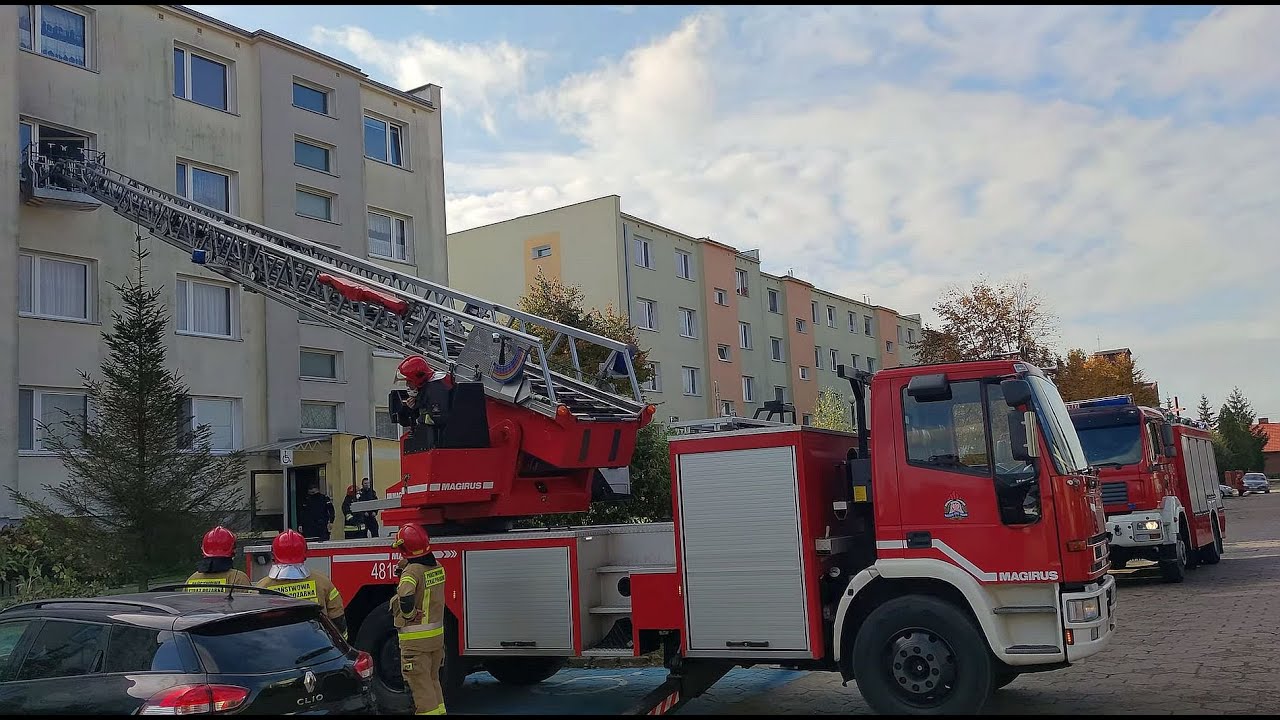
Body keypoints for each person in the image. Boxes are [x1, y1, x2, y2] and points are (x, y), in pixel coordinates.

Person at [391, 524, 447, 716]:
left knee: (421, 689)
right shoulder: (437, 567)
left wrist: (409, 615)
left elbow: (405, 596)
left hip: (416, 644)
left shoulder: (412, 571)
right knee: (432, 682)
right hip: (435, 641)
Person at [256, 530, 348, 638]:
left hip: (278, 646)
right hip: (316, 644)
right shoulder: (322, 581)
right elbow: (337, 618)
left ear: (273, 555)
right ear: (305, 553)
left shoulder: (262, 587)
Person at [185, 526, 252, 591]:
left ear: (203, 550)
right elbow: (249, 601)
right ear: (233, 550)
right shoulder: (239, 579)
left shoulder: (191, 579)